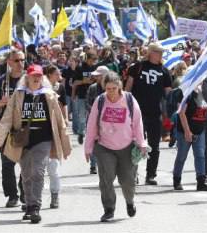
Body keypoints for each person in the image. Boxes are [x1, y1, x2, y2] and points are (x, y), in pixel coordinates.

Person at [0, 64, 70, 224]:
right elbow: (7, 118)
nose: (36, 78)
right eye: (33, 75)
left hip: (43, 140)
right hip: (22, 140)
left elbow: (59, 122)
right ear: (26, 78)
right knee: (26, 174)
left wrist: (65, 144)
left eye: (39, 76)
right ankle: (28, 204)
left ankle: (35, 206)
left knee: (38, 171)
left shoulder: (49, 95)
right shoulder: (18, 95)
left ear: (42, 78)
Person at [84, 71, 146, 222]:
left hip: (126, 146)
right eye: (108, 89)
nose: (111, 92)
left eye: (114, 88)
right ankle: (109, 209)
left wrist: (142, 143)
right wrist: (88, 147)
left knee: (127, 181)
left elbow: (137, 124)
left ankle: (129, 201)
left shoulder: (129, 100)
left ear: (119, 86)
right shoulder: (100, 101)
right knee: (106, 178)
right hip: (104, 146)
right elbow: (91, 125)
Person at [125, 42, 172, 185]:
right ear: (151, 52)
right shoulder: (137, 67)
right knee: (136, 144)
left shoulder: (164, 71)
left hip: (155, 113)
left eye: (162, 53)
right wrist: (126, 107)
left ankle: (151, 175)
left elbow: (168, 93)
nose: (161, 55)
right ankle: (133, 173)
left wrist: (169, 111)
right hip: (137, 112)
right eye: (159, 52)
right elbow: (128, 88)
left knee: (154, 145)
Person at [0, 50, 26, 208]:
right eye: (17, 60)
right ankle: (12, 195)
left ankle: (25, 192)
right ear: (9, 62)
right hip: (6, 125)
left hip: (25, 125)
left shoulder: (29, 80)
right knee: (7, 163)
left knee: (26, 162)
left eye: (22, 60)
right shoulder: (1, 81)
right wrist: (1, 102)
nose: (20, 63)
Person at [170, 73, 207, 191]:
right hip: (185, 131)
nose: (202, 81)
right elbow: (182, 113)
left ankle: (201, 182)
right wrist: (187, 132)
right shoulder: (185, 93)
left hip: (200, 130)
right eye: (199, 79)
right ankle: (176, 180)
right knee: (181, 156)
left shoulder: (203, 93)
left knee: (200, 156)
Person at [44, 64, 66, 208]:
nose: (59, 77)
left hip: (54, 133)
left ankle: (55, 195)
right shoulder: (38, 90)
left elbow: (63, 104)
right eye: (56, 74)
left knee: (53, 168)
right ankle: (30, 199)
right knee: (34, 170)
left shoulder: (60, 88)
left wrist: (65, 120)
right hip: (38, 133)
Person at [72, 52, 98, 144]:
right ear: (87, 58)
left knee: (93, 115)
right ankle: (81, 132)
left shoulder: (95, 68)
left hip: (93, 96)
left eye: (94, 60)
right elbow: (74, 82)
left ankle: (92, 134)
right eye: (91, 60)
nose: (92, 62)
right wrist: (83, 82)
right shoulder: (79, 68)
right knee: (82, 116)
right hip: (82, 95)